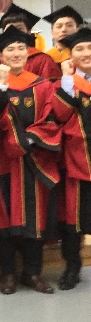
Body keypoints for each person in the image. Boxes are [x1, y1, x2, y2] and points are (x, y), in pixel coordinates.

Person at [0, 27, 60, 295]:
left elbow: (52, 119)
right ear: (0, 56)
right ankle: (7, 273)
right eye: (10, 49)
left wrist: (30, 138)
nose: (16, 53)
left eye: (21, 48)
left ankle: (32, 272)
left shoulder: (43, 86)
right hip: (2, 161)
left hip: (34, 159)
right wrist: (1, 89)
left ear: (28, 53)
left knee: (34, 218)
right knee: (4, 218)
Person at [52, 27, 91, 290]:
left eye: (90, 47)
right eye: (79, 48)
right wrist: (67, 80)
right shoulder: (65, 83)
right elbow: (59, 115)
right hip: (76, 161)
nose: (86, 53)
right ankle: (72, 266)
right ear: (70, 55)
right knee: (73, 220)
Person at [0, 4, 61, 81]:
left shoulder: (43, 60)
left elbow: (50, 86)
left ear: (29, 32)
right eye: (9, 29)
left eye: (19, 29)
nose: (14, 32)